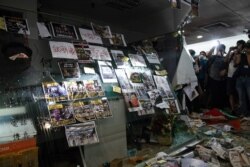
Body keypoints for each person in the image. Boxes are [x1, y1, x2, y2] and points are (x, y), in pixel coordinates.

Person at [206, 44, 228, 108]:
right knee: (213, 93)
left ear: (224, 50)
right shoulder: (214, 57)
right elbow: (208, 56)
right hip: (213, 78)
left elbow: (227, 64)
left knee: (221, 93)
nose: (220, 50)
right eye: (219, 49)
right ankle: (213, 107)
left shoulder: (225, 57)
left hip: (222, 79)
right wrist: (213, 47)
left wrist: (225, 71)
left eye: (221, 49)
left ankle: (220, 107)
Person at [233, 42, 250, 117]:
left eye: (247, 48)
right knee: (241, 97)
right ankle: (244, 113)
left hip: (248, 78)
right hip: (239, 78)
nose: (246, 49)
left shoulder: (248, 55)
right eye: (245, 48)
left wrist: (248, 54)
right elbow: (235, 63)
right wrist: (237, 53)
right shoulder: (241, 55)